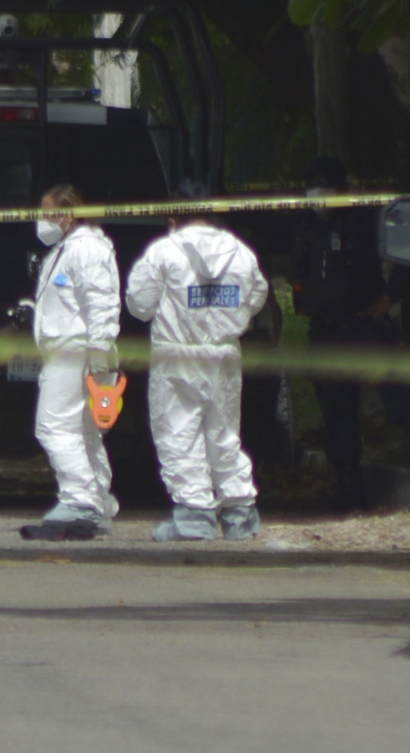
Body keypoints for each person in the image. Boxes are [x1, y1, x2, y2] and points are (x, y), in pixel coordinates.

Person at [126, 197, 269, 541]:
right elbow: (257, 295)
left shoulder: (162, 251)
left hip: (177, 354)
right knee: (224, 434)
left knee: (178, 432)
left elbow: (139, 305)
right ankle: (240, 514)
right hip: (223, 355)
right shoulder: (241, 252)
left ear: (173, 218)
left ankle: (194, 517)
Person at [19, 185, 122, 541]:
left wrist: (98, 352)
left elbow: (101, 302)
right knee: (84, 434)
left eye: (47, 213)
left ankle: (79, 500)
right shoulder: (69, 250)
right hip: (75, 349)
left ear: (66, 214)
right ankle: (96, 503)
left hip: (76, 352)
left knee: (54, 426)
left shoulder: (87, 249)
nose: (42, 221)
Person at [290, 156, 391, 510]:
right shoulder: (305, 225)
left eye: (326, 187)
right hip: (325, 331)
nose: (317, 195)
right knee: (336, 412)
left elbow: (401, 265)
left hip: (363, 326)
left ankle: (409, 458)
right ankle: (348, 488)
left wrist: (388, 301)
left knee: (395, 398)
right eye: (312, 187)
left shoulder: (365, 223)